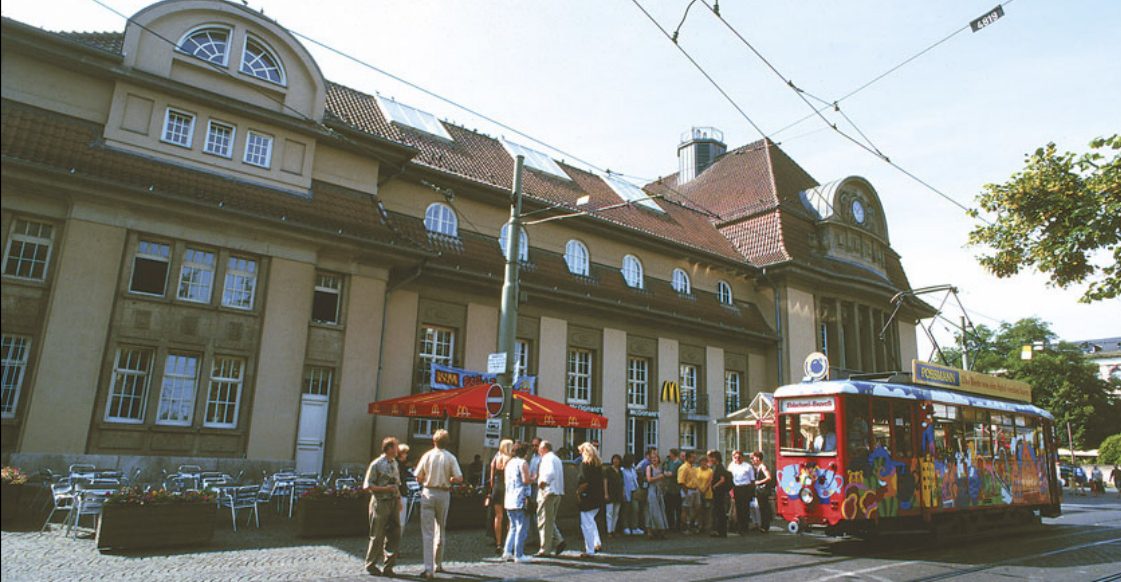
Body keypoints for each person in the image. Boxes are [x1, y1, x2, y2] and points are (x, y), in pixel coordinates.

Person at [414, 428, 464, 580]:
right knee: (440, 528)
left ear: (433, 441)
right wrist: (450, 480)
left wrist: (425, 479)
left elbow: (418, 476)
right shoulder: (450, 457)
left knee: (427, 532)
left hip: (428, 492)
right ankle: (438, 563)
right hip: (443, 493)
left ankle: (428, 569)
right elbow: (459, 478)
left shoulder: (427, 455)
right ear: (447, 442)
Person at [363, 436, 402, 577]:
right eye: (396, 447)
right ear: (389, 448)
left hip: (393, 502)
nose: (398, 449)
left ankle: (389, 566)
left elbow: (397, 484)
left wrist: (398, 500)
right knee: (377, 534)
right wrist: (386, 489)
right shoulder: (377, 464)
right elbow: (368, 486)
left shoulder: (395, 463)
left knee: (394, 533)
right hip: (380, 502)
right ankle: (371, 564)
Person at [502, 442, 533, 563]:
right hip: (520, 499)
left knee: (513, 527)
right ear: (525, 452)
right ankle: (519, 554)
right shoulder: (523, 463)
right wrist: (533, 478)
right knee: (521, 527)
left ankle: (507, 551)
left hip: (509, 498)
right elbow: (525, 480)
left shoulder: (509, 463)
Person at [535, 440, 567, 556]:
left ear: (544, 448)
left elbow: (550, 473)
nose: (538, 450)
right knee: (550, 521)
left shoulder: (547, 458)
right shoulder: (556, 458)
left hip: (548, 492)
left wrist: (542, 483)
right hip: (557, 492)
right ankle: (559, 540)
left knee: (544, 521)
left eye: (539, 448)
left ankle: (545, 549)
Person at [576, 442, 606, 557]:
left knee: (586, 524)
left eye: (581, 451)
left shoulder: (584, 465)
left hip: (587, 497)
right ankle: (597, 542)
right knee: (591, 521)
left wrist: (578, 492)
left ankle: (590, 550)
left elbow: (584, 481)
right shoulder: (598, 465)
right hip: (597, 496)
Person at [488, 439, 513, 554]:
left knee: (498, 516)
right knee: (509, 517)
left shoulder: (496, 458)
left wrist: (492, 488)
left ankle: (498, 543)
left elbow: (491, 478)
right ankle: (509, 542)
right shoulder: (509, 459)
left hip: (497, 488)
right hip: (507, 489)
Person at [643, 449, 670, 539]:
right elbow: (649, 479)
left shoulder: (660, 468)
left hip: (659, 490)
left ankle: (660, 530)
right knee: (652, 510)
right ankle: (650, 531)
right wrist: (660, 476)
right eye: (652, 458)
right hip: (652, 490)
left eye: (656, 458)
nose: (654, 459)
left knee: (661, 510)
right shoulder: (649, 468)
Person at [728, 450, 756, 535]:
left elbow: (752, 480)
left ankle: (745, 526)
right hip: (736, 488)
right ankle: (739, 527)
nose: (737, 459)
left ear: (742, 457)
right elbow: (729, 479)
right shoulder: (731, 466)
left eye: (739, 457)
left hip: (745, 488)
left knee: (745, 508)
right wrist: (731, 491)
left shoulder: (748, 466)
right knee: (738, 508)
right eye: (735, 457)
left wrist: (751, 492)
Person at [707, 450, 731, 538]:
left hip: (719, 492)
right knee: (718, 511)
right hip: (718, 492)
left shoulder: (719, 467)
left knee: (720, 511)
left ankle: (722, 531)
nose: (710, 459)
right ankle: (719, 530)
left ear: (715, 458)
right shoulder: (717, 466)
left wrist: (714, 486)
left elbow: (722, 479)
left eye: (711, 457)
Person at [525, 436, 543, 547]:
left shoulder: (542, 458)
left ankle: (540, 538)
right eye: (533, 445)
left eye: (536, 445)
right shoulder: (533, 457)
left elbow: (539, 474)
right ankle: (533, 537)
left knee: (538, 513)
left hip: (537, 486)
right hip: (531, 487)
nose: (534, 447)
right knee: (531, 513)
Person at [678, 451, 699, 534]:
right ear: (688, 458)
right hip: (687, 489)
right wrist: (686, 491)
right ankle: (684, 527)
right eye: (692, 457)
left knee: (696, 508)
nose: (694, 459)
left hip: (695, 490)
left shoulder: (693, 467)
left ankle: (692, 524)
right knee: (686, 509)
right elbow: (681, 481)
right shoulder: (683, 468)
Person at [620, 453, 641, 535]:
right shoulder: (622, 470)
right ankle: (626, 527)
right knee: (626, 509)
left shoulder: (633, 469)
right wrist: (623, 492)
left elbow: (635, 479)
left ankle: (635, 527)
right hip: (626, 491)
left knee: (635, 509)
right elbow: (622, 482)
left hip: (634, 490)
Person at [751, 451, 773, 533]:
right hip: (760, 491)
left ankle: (765, 526)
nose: (752, 460)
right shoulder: (759, 467)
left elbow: (769, 477)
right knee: (761, 508)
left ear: (758, 458)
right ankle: (762, 525)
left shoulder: (763, 466)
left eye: (753, 458)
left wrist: (758, 482)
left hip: (763, 491)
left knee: (764, 508)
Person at [604, 454, 624, 537]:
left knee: (616, 513)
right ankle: (609, 531)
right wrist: (606, 493)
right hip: (610, 493)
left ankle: (613, 530)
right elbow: (605, 482)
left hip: (618, 494)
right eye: (614, 459)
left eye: (617, 460)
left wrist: (623, 493)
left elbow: (622, 483)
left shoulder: (620, 471)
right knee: (609, 513)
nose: (616, 461)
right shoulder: (608, 470)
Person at [663, 448, 682, 531]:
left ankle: (677, 525)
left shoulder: (678, 463)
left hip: (676, 488)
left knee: (677, 508)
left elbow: (672, 473)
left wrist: (667, 473)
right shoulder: (669, 462)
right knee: (668, 507)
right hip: (669, 488)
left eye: (670, 454)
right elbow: (665, 471)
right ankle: (670, 524)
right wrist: (666, 473)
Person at [694, 455, 714, 534]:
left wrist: (705, 488)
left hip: (707, 492)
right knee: (699, 510)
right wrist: (699, 488)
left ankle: (707, 526)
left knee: (708, 510)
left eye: (704, 462)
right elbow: (695, 480)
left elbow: (710, 481)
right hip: (698, 492)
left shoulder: (710, 471)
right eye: (701, 462)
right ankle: (699, 526)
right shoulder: (696, 470)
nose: (703, 464)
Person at [396, 443, 412, 534]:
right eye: (405, 453)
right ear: (401, 453)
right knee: (400, 521)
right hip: (400, 495)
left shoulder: (402, 465)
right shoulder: (398, 465)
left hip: (402, 494)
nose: (407, 455)